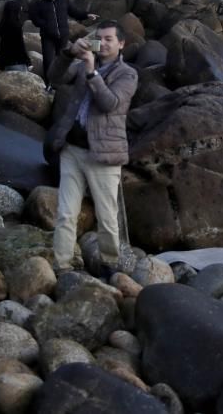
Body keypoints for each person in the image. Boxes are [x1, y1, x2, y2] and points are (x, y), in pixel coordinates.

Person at [45, 20, 138, 278]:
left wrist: (91, 72)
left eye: (109, 39)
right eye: (100, 38)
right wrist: (68, 53)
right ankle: (62, 266)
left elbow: (110, 103)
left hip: (104, 155)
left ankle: (109, 264)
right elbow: (54, 77)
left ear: (121, 44)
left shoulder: (127, 74)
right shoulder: (83, 63)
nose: (104, 43)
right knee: (65, 213)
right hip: (72, 149)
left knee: (107, 216)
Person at [28, 0, 98, 87]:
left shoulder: (64, 0)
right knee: (48, 61)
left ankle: (58, 84)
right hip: (48, 37)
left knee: (61, 62)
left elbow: (74, 12)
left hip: (63, 37)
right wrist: (44, 24)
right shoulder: (40, 4)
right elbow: (34, 17)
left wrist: (86, 15)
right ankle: (48, 84)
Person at [0, 0, 30, 72]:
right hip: (18, 64)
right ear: (15, 11)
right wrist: (28, 62)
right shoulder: (16, 26)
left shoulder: (0, 26)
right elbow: (20, 47)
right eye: (19, 9)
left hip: (5, 64)